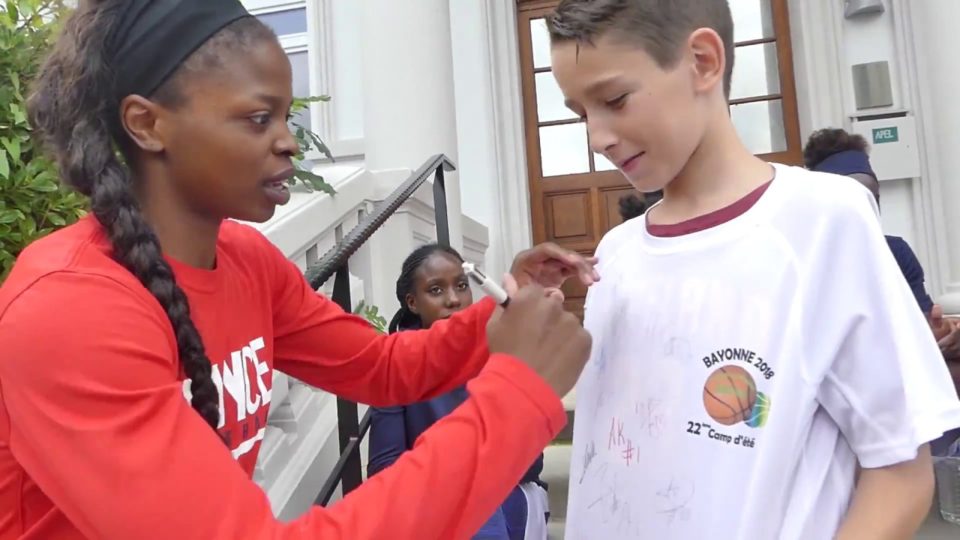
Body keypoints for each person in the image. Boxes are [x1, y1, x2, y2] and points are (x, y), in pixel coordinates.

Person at [0, 1, 597, 538]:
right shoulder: (70, 309)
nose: (290, 143)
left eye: (286, 117)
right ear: (148, 124)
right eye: (259, 119)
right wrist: (518, 396)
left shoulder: (247, 260)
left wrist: (501, 317)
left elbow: (380, 366)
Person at [548, 1, 960, 538]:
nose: (597, 136)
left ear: (702, 61)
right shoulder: (616, 256)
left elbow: (900, 469)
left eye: (615, 100)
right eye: (581, 113)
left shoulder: (822, 221)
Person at [368, 244, 549, 540]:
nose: (454, 300)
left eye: (462, 286)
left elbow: (530, 460)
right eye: (436, 290)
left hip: (504, 495)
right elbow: (384, 468)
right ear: (413, 303)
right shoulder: (395, 365)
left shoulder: (500, 350)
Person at [805, 127, 960, 454]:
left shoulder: (896, 253)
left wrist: (942, 338)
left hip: (898, 382)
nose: (867, 205)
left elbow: (923, 331)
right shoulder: (803, 263)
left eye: (872, 194)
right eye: (854, 195)